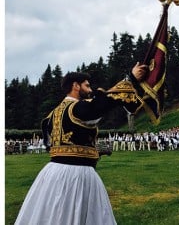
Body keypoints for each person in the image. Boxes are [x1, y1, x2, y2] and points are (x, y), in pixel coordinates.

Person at [15, 62, 148, 225]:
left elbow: (55, 145)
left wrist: (88, 151)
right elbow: (105, 102)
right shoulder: (77, 109)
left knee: (50, 215)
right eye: (87, 85)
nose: (90, 89)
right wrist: (131, 78)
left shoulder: (51, 115)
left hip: (51, 174)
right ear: (76, 86)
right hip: (77, 175)